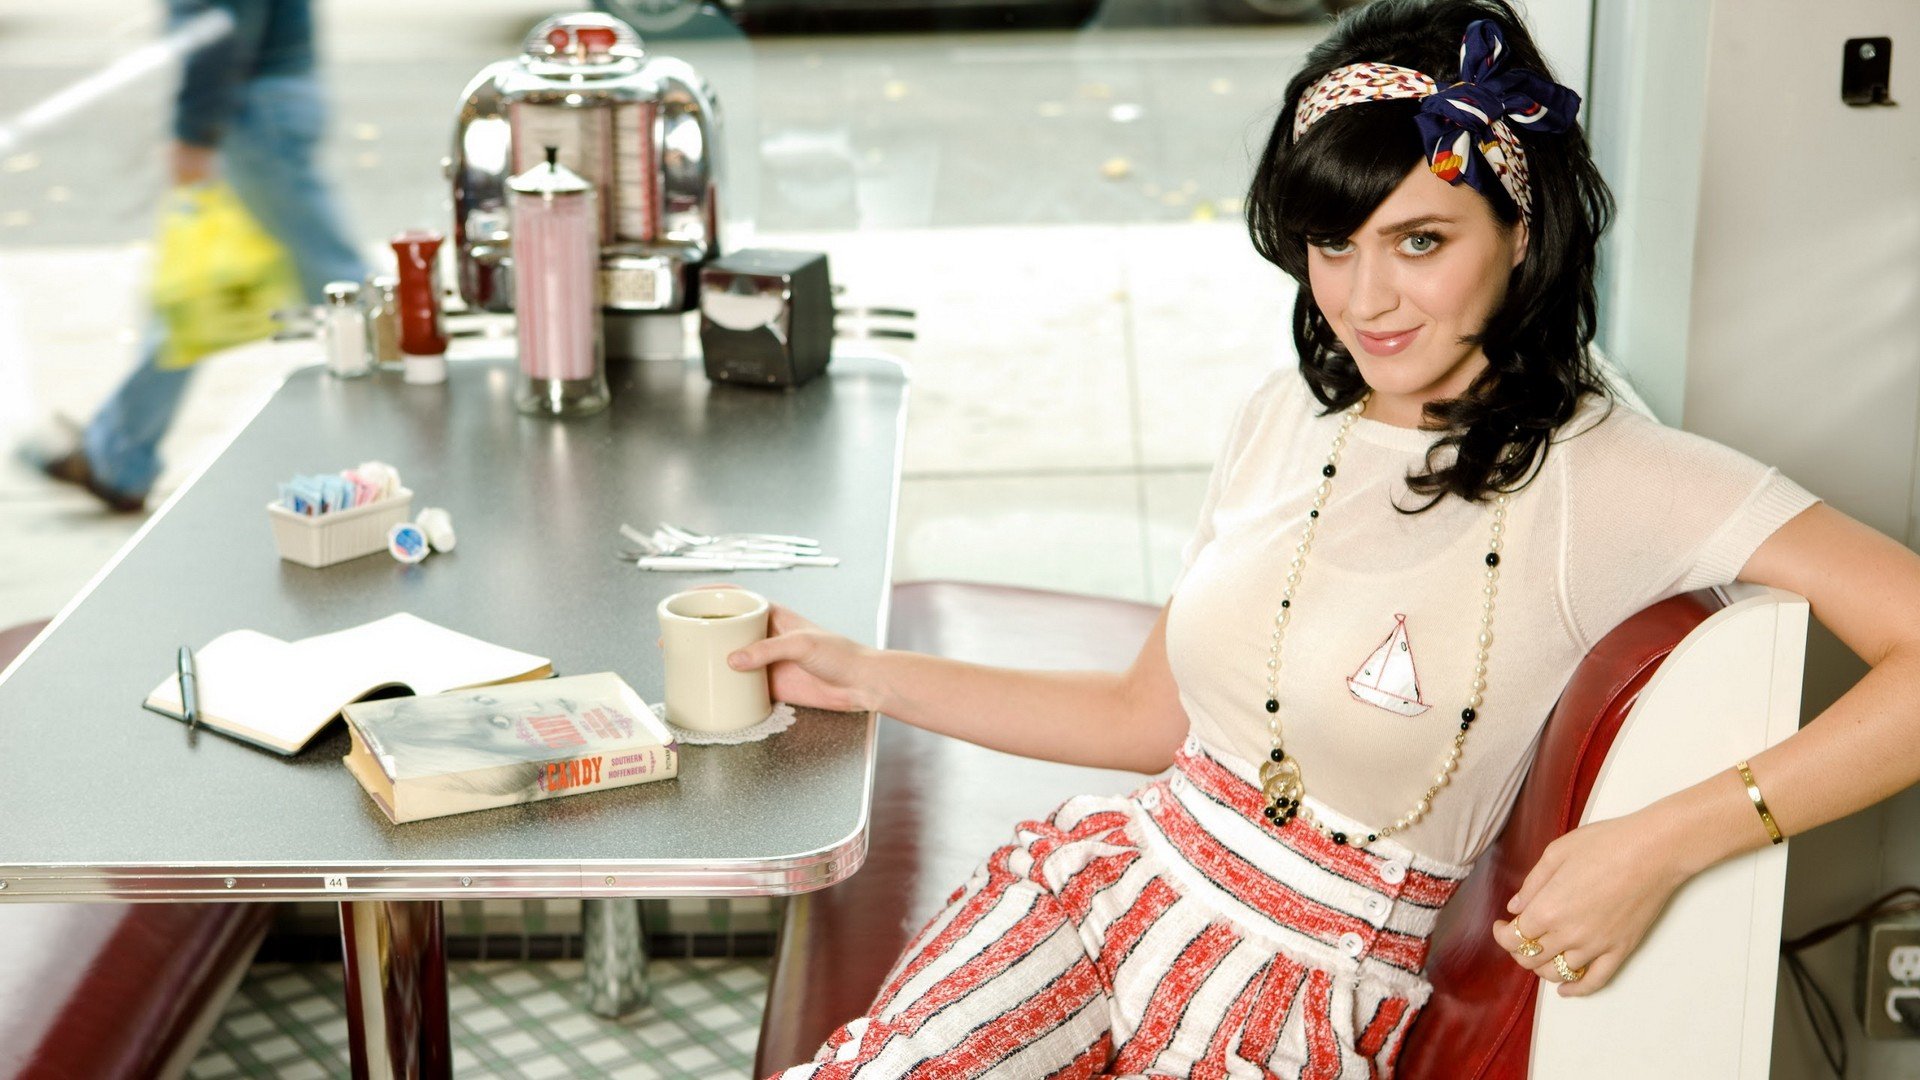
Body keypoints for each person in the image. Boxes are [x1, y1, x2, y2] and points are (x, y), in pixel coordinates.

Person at [734, 0, 1920, 1076]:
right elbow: (1145, 721)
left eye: (1420, 242)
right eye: (1333, 246)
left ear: (1522, 233)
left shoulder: (1615, 474)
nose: (1364, 303)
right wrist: (865, 676)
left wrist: (1667, 839)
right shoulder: (1289, 411)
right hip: (1110, 890)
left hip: (1299, 999)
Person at [29, 0, 365, 512]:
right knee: (199, 290)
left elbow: (222, 21)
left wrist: (194, 131)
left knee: (338, 282)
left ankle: (120, 455)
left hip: (253, 108)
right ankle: (119, 453)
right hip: (265, 98)